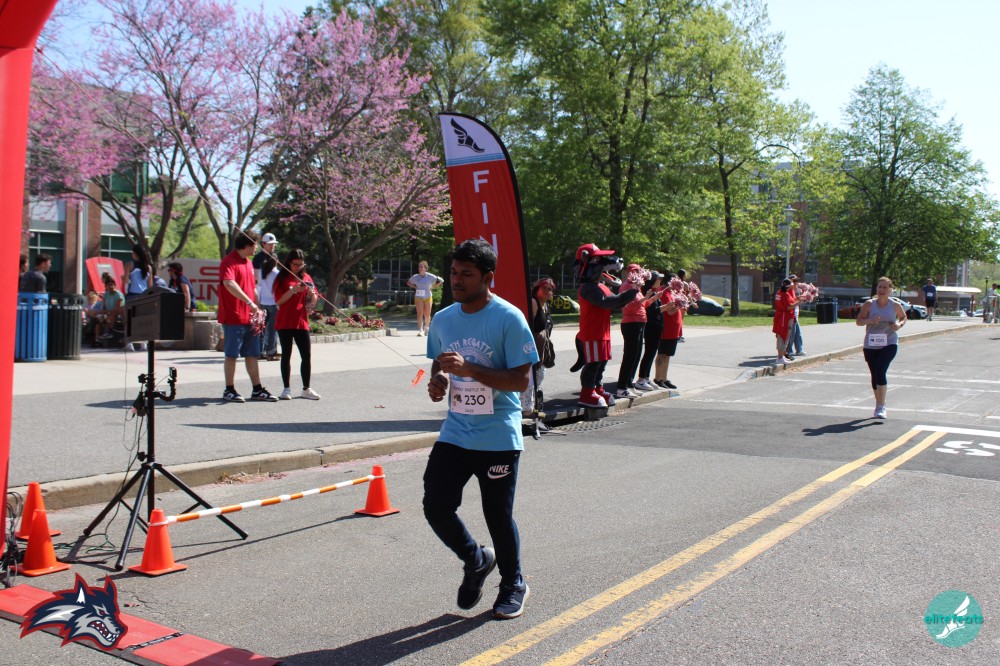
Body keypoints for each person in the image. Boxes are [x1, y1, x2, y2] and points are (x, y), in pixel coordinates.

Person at [424, 239, 538, 620]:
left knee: (497, 515)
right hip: (457, 431)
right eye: (454, 273)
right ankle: (475, 559)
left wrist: (471, 369)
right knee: (435, 505)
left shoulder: (509, 318)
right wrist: (439, 382)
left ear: (488, 277)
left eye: (466, 275)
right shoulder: (443, 319)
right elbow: (440, 363)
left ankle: (513, 582)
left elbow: (521, 380)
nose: (456, 280)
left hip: (498, 435)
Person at [573, 243, 638, 408]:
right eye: (598, 261)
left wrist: (628, 296)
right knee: (593, 364)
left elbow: (614, 303)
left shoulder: (600, 286)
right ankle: (587, 392)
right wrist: (627, 296)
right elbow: (606, 302)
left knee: (601, 363)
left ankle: (597, 388)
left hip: (603, 332)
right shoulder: (587, 288)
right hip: (592, 332)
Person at [218, 231, 278, 403]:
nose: (256, 248)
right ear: (247, 244)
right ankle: (229, 389)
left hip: (249, 317)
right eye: (255, 244)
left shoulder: (249, 263)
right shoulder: (228, 261)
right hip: (233, 316)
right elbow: (229, 283)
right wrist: (249, 302)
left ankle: (257, 389)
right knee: (231, 354)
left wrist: (258, 307)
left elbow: (252, 288)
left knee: (252, 354)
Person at [273, 249, 320, 400]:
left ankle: (306, 388)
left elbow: (314, 296)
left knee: (306, 355)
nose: (298, 267)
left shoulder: (306, 277)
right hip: (285, 320)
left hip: (301, 321)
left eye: (301, 265)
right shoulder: (282, 278)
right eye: (295, 264)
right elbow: (278, 300)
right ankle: (286, 389)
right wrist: (293, 290)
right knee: (286, 354)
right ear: (289, 262)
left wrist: (312, 298)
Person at [857, 276, 906, 419]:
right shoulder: (869, 304)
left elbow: (903, 317)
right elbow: (859, 321)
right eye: (880, 287)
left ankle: (882, 406)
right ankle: (878, 404)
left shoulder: (895, 305)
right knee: (874, 374)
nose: (882, 290)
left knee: (881, 371)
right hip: (871, 344)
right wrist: (869, 321)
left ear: (890, 290)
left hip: (889, 342)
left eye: (885, 287)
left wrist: (899, 325)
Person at [616, 265, 663, 398]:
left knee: (636, 355)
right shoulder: (626, 286)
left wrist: (652, 298)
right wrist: (645, 298)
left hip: (639, 322)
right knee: (630, 356)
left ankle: (629, 384)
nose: (637, 273)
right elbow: (629, 307)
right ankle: (621, 387)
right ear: (629, 273)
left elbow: (642, 305)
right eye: (634, 271)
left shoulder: (637, 286)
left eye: (638, 271)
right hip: (631, 323)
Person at [653, 272, 685, 389]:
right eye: (676, 280)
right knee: (662, 354)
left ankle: (664, 378)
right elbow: (670, 311)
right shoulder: (664, 292)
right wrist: (680, 305)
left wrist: (682, 301)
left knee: (667, 355)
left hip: (673, 329)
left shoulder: (672, 292)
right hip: (666, 328)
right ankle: (658, 378)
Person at [634, 271, 664, 392]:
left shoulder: (655, 292)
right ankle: (641, 378)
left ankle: (646, 377)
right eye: (658, 279)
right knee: (649, 352)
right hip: (651, 325)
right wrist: (665, 306)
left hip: (657, 325)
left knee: (652, 352)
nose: (660, 281)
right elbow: (651, 311)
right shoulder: (648, 292)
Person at [528, 277, 556, 406]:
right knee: (531, 380)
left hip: (542, 349)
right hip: (532, 349)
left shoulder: (546, 306)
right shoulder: (534, 302)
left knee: (539, 377)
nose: (546, 291)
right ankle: (527, 408)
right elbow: (528, 327)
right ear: (537, 289)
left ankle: (534, 405)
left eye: (550, 289)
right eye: (543, 288)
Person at [407, 261, 443, 336]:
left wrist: (433, 287)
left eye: (421, 267)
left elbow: (441, 280)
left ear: (425, 268)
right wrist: (414, 286)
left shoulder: (430, 276)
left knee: (427, 314)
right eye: (419, 267)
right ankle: (420, 330)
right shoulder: (415, 277)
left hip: (428, 297)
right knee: (419, 313)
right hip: (418, 297)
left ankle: (427, 327)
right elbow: (408, 282)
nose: (420, 268)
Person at [256, 250, 280, 361]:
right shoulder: (277, 273)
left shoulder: (262, 272)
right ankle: (271, 352)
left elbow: (259, 287)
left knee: (262, 328)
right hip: (274, 303)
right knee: (273, 329)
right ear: (276, 261)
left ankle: (259, 351)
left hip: (263, 302)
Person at [773, 278, 797, 365]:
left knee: (782, 336)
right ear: (788, 287)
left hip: (780, 316)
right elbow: (788, 307)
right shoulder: (785, 294)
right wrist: (799, 303)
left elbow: (790, 301)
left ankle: (781, 356)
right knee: (783, 336)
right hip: (785, 317)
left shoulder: (779, 292)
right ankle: (780, 357)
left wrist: (797, 298)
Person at [95, 273, 125, 342]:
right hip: (108, 312)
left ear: (115, 285)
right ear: (106, 287)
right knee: (96, 317)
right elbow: (104, 307)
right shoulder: (106, 294)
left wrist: (107, 313)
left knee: (113, 314)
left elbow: (118, 308)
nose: (111, 286)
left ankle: (108, 332)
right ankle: (97, 339)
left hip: (118, 313)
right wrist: (102, 313)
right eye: (109, 285)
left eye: (112, 285)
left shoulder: (118, 294)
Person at [784, 274, 805, 357]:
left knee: (798, 333)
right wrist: (798, 302)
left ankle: (799, 350)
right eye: (794, 281)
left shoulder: (793, 290)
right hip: (791, 315)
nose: (796, 283)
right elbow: (789, 304)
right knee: (791, 334)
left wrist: (799, 298)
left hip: (795, 314)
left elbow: (793, 300)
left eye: (797, 281)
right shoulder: (788, 291)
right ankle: (789, 350)